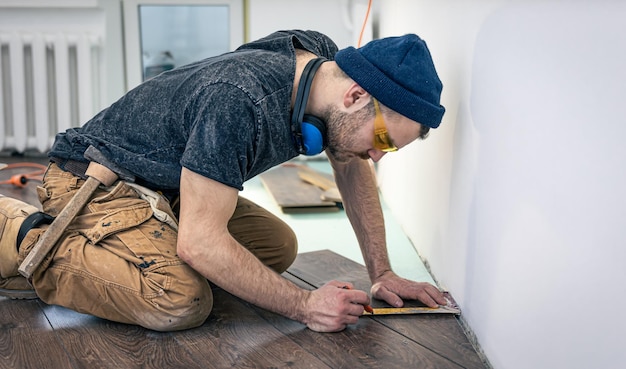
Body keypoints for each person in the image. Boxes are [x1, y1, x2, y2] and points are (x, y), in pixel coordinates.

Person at [0, 29, 446, 332]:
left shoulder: (322, 62)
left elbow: (349, 161)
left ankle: (131, 247)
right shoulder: (240, 100)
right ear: (355, 96)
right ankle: (18, 232)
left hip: (165, 187)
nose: (375, 155)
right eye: (382, 140)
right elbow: (199, 243)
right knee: (178, 299)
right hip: (95, 180)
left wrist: (382, 272)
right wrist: (303, 305)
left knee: (277, 246)